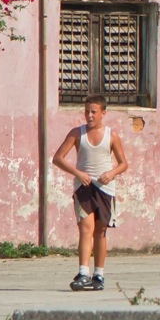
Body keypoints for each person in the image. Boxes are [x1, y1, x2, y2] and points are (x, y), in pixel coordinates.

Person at [52, 95, 129, 291]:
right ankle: (83, 272)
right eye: (87, 111)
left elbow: (123, 164)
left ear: (103, 113)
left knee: (100, 232)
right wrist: (77, 173)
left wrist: (110, 174)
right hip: (83, 188)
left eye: (93, 112)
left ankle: (99, 275)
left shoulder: (112, 136)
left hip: (105, 189)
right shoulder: (77, 134)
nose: (89, 115)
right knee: (85, 228)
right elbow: (58, 158)